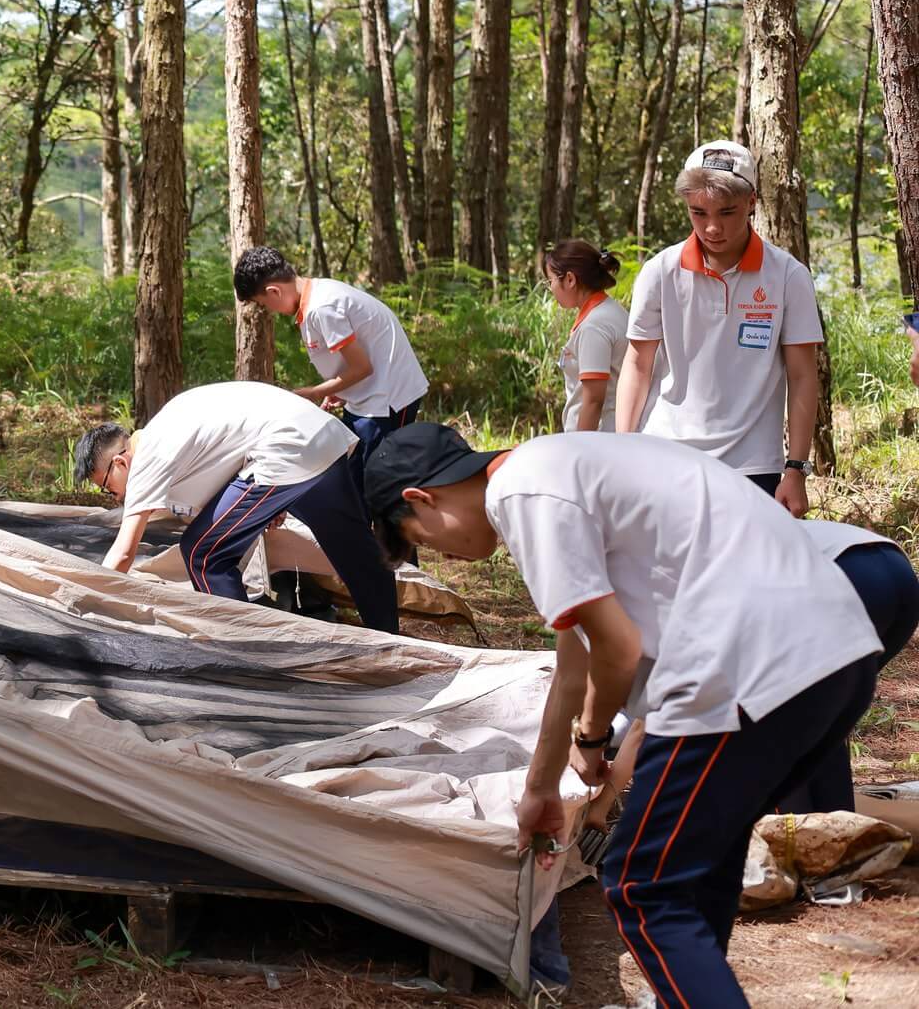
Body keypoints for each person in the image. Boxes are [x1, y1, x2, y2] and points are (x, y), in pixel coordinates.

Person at [363, 421, 917, 1009]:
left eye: (422, 538)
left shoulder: (521, 493)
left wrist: (595, 734)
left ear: (420, 499)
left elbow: (618, 650)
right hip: (836, 651)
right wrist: (542, 788)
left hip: (742, 659)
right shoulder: (564, 462)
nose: (441, 553)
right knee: (706, 864)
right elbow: (572, 668)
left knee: (641, 887)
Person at [73, 382, 400, 635]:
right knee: (355, 550)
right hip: (320, 437)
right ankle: (393, 642)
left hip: (283, 450)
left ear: (119, 462)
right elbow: (229, 461)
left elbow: (123, 553)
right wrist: (270, 505)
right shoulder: (169, 427)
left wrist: (84, 602)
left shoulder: (146, 456)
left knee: (204, 554)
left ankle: (244, 650)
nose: (115, 497)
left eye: (107, 486)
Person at [618, 140, 822, 514]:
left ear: (752, 202)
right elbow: (637, 364)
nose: (713, 227)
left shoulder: (788, 276)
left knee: (748, 571)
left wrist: (795, 468)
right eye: (699, 212)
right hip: (665, 453)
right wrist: (622, 450)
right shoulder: (660, 272)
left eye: (727, 212)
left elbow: (803, 375)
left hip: (754, 466)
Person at [234, 246, 429, 462]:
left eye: (264, 304)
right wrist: (337, 389)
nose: (270, 310)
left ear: (274, 291)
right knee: (357, 470)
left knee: (382, 475)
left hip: (390, 396)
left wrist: (314, 392)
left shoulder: (322, 307)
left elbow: (362, 368)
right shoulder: (314, 297)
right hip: (368, 394)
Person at [543, 239, 628, 432]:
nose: (550, 289)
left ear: (570, 279)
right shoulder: (608, 311)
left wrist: (581, 449)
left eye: (551, 281)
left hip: (599, 440)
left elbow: (593, 402)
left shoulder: (594, 326)